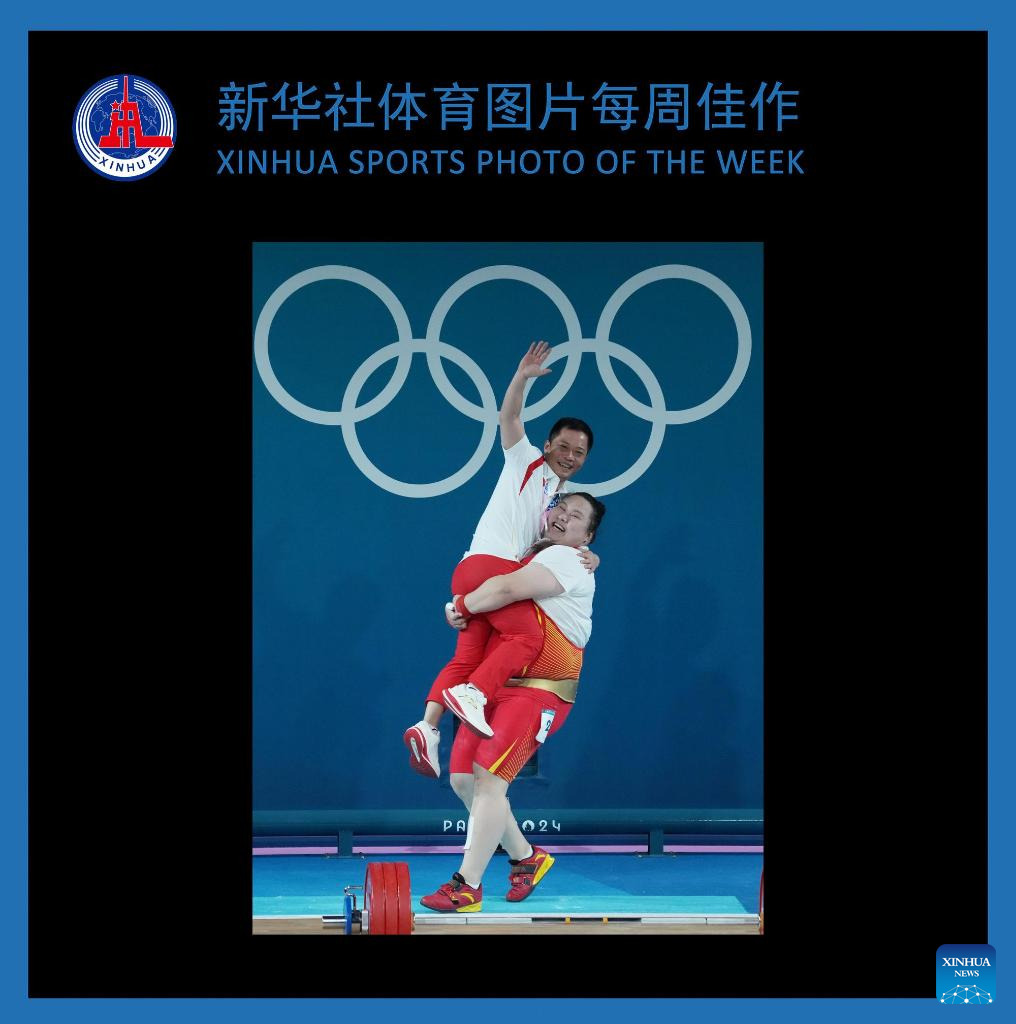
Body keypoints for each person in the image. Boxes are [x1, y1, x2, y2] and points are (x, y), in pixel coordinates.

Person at [403, 341, 596, 777]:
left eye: (579, 452)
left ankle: (427, 727)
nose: (569, 457)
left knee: (466, 657)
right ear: (547, 445)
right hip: (493, 568)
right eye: (564, 446)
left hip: (472, 572)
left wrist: (592, 556)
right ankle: (474, 694)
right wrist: (521, 379)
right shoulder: (527, 462)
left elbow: (555, 547)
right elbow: (509, 418)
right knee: (527, 639)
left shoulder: (561, 500)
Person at [418, 490, 606, 912]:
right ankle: (526, 857)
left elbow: (504, 589)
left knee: (489, 780)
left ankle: (467, 885)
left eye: (576, 516)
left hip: (540, 690)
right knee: (463, 780)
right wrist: (460, 610)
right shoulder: (530, 554)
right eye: (560, 507)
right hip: (497, 685)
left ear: (587, 537)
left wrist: (459, 605)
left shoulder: (566, 558)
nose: (563, 516)